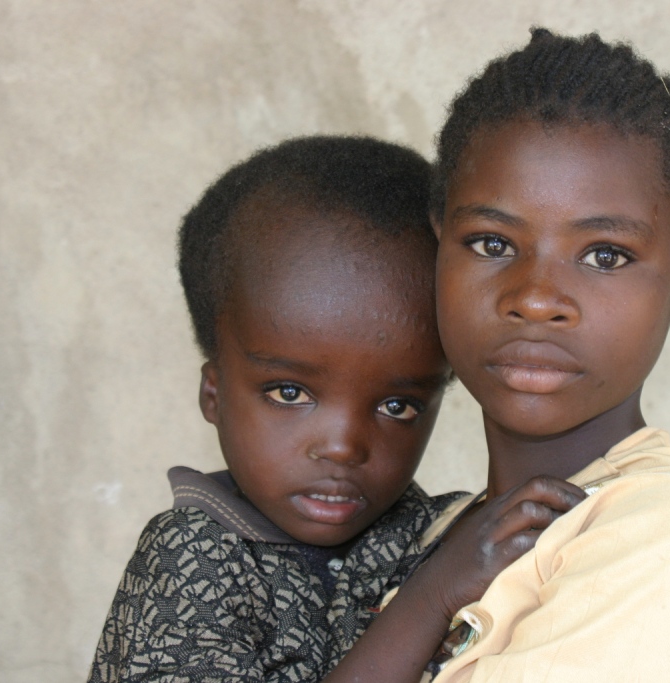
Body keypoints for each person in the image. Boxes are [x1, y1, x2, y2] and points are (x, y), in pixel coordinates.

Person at [350, 28, 670, 682]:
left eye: (604, 255)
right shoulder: (437, 532)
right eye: (492, 243)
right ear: (438, 250)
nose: (535, 297)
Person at [88, 136, 583, 682]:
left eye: (398, 405)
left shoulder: (440, 533)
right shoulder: (191, 557)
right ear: (214, 393)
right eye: (289, 392)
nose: (344, 446)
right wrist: (433, 594)